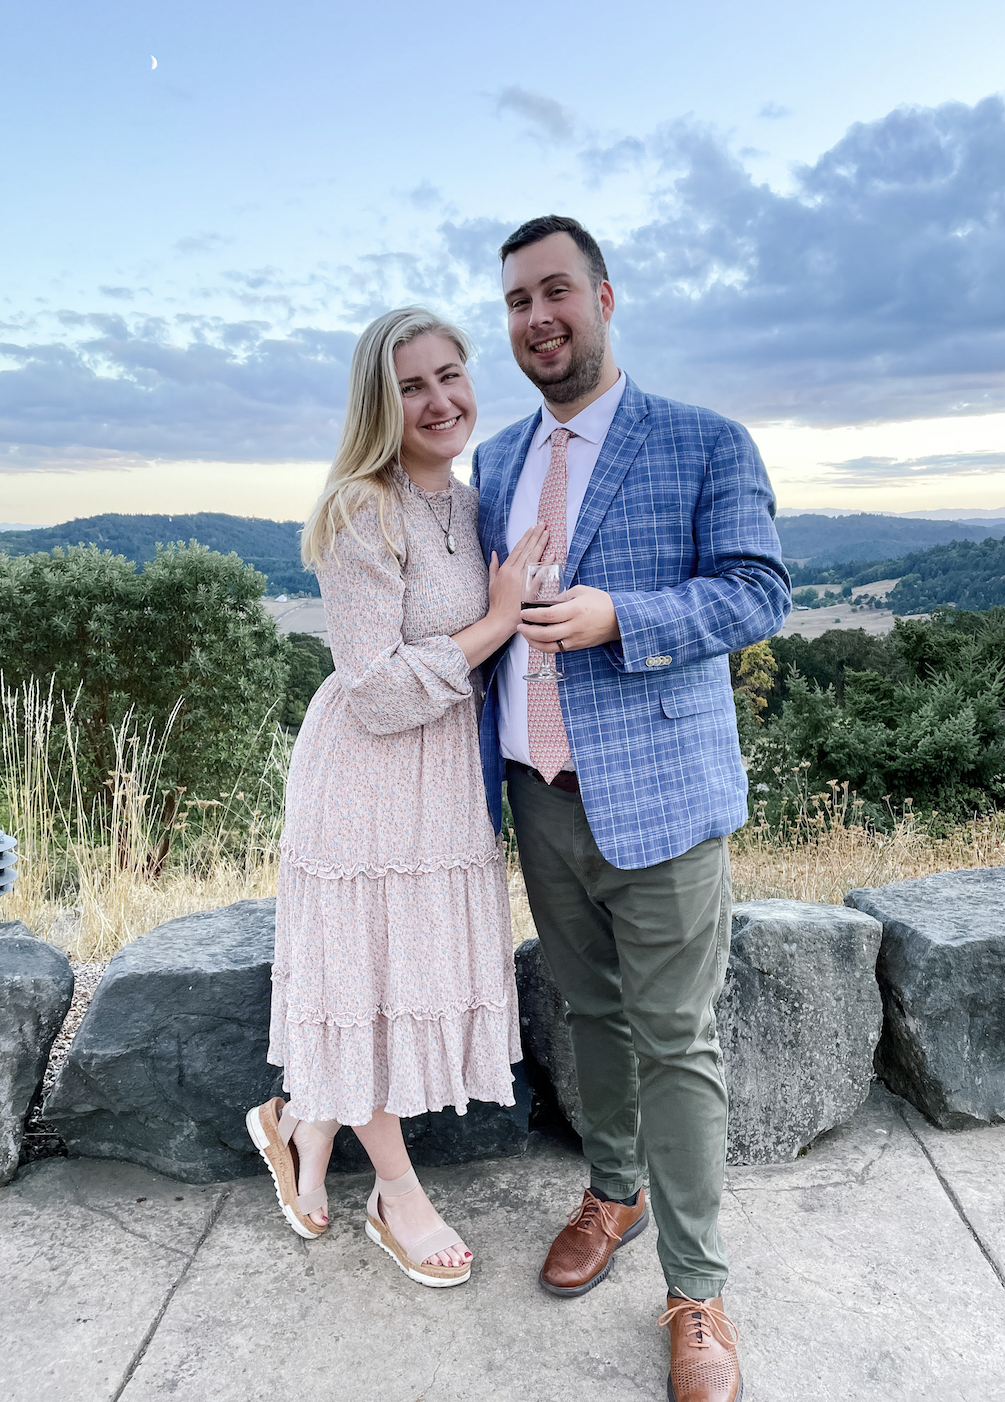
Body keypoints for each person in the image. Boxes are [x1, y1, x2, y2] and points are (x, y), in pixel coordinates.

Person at [471, 217, 790, 1401]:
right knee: (589, 1018)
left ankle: (695, 1289)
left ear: (603, 298)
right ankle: (613, 1192)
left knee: (677, 1041)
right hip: (535, 797)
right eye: (514, 301)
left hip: (660, 801)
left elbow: (758, 593)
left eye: (555, 291)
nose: (536, 317)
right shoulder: (496, 461)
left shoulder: (705, 443)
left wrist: (623, 620)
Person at [248, 307, 547, 1288]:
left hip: (441, 778)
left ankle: (296, 1122)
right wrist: (497, 623)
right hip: (370, 778)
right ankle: (396, 1192)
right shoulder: (358, 509)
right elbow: (374, 688)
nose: (438, 399)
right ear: (379, 401)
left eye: (450, 374)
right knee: (373, 980)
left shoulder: (467, 504)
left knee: (392, 971)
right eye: (411, 384)